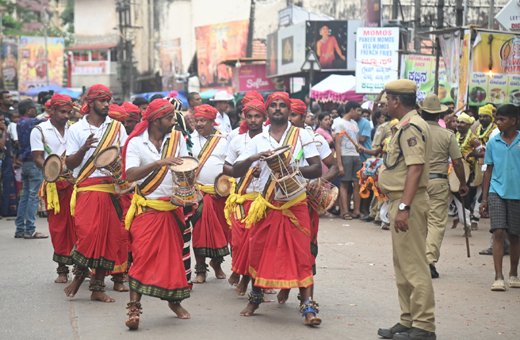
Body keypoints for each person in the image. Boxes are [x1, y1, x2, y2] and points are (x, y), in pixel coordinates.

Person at [232, 92, 322, 326]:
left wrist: (291, 169)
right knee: (258, 252)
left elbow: (317, 169)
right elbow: (235, 170)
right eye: (273, 106)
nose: (278, 109)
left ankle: (308, 308)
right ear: (267, 111)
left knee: (302, 255)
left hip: (295, 205)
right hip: (267, 206)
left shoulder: (302, 134)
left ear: (288, 109)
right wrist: (254, 157)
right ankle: (255, 299)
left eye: (283, 106)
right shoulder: (259, 139)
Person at [122, 99, 191, 329]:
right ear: (155, 120)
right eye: (170, 118)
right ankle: (134, 308)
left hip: (172, 208)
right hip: (147, 209)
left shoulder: (178, 139)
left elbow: (184, 168)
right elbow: (130, 175)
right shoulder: (135, 143)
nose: (174, 121)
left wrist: (190, 184)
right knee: (141, 258)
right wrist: (159, 163)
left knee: (172, 260)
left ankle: (174, 301)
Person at [377, 79, 436, 340]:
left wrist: (404, 207)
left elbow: (415, 168)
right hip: (400, 201)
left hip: (407, 202)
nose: (385, 105)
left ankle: (423, 326)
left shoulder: (411, 126)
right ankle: (408, 320)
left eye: (387, 100)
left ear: (396, 101)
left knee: (414, 266)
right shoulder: (405, 125)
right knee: (403, 266)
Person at [63, 84, 127, 303]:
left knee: (110, 238)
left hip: (111, 189)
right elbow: (69, 163)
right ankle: (79, 278)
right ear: (90, 103)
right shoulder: (75, 129)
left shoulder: (117, 127)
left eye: (108, 100)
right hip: (88, 189)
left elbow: (125, 158)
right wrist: (84, 149)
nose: (107, 104)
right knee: (89, 235)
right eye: (102, 100)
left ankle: (98, 287)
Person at [418, 94, 469, 279]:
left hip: (417, 182)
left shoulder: (415, 132)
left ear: (422, 112)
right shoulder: (448, 135)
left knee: (419, 222)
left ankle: (418, 261)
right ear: (438, 114)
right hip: (438, 181)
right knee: (436, 223)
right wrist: (462, 184)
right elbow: (457, 162)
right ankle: (429, 260)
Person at [222, 99, 266, 296]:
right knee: (239, 242)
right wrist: (247, 171)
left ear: (265, 118)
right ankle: (238, 271)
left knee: (256, 243)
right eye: (250, 116)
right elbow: (227, 167)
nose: (253, 120)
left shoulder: (270, 139)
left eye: (257, 116)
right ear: (244, 117)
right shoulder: (237, 140)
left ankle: (251, 280)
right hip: (242, 197)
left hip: (263, 199)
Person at [31, 94, 76, 283]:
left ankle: (82, 267)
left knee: (79, 226)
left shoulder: (74, 129)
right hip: (55, 185)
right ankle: (62, 269)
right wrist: (53, 171)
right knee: (59, 228)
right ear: (52, 111)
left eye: (69, 112)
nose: (67, 116)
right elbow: (38, 157)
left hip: (75, 183)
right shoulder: (40, 130)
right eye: (63, 112)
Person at [479, 104, 520, 292]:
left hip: (517, 193)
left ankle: (513, 273)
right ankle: (498, 276)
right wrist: (484, 198)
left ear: (513, 121)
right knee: (499, 232)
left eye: (502, 119)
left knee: (514, 235)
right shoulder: (493, 142)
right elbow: (489, 170)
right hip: (496, 191)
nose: (498, 123)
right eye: (498, 119)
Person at [189, 104, 230, 283]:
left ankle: (217, 263)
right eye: (197, 120)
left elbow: (230, 164)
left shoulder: (224, 139)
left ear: (212, 122)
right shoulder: (189, 139)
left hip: (221, 194)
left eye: (203, 120)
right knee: (200, 232)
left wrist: (224, 189)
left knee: (222, 231)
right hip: (199, 193)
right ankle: (200, 270)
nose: (198, 124)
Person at [14, 99, 47, 239]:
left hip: (26, 163)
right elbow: (47, 121)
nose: (36, 111)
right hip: (34, 163)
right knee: (33, 197)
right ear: (28, 110)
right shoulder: (30, 122)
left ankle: (20, 229)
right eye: (34, 108)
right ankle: (30, 229)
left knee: (26, 196)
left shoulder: (20, 123)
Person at [451, 112, 483, 236]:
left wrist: (473, 155)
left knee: (463, 195)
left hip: (468, 171)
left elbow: (482, 154)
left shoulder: (473, 139)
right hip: (454, 170)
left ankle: (467, 223)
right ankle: (462, 217)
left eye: (462, 122)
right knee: (456, 193)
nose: (459, 124)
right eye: (458, 122)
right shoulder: (455, 136)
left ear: (469, 125)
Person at [334, 101, 362, 220]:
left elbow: (357, 142)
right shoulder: (340, 124)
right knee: (345, 183)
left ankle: (356, 211)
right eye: (358, 110)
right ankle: (344, 211)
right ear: (351, 110)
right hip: (345, 156)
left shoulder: (354, 124)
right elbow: (338, 145)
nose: (359, 113)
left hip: (355, 156)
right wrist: (340, 164)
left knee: (357, 184)